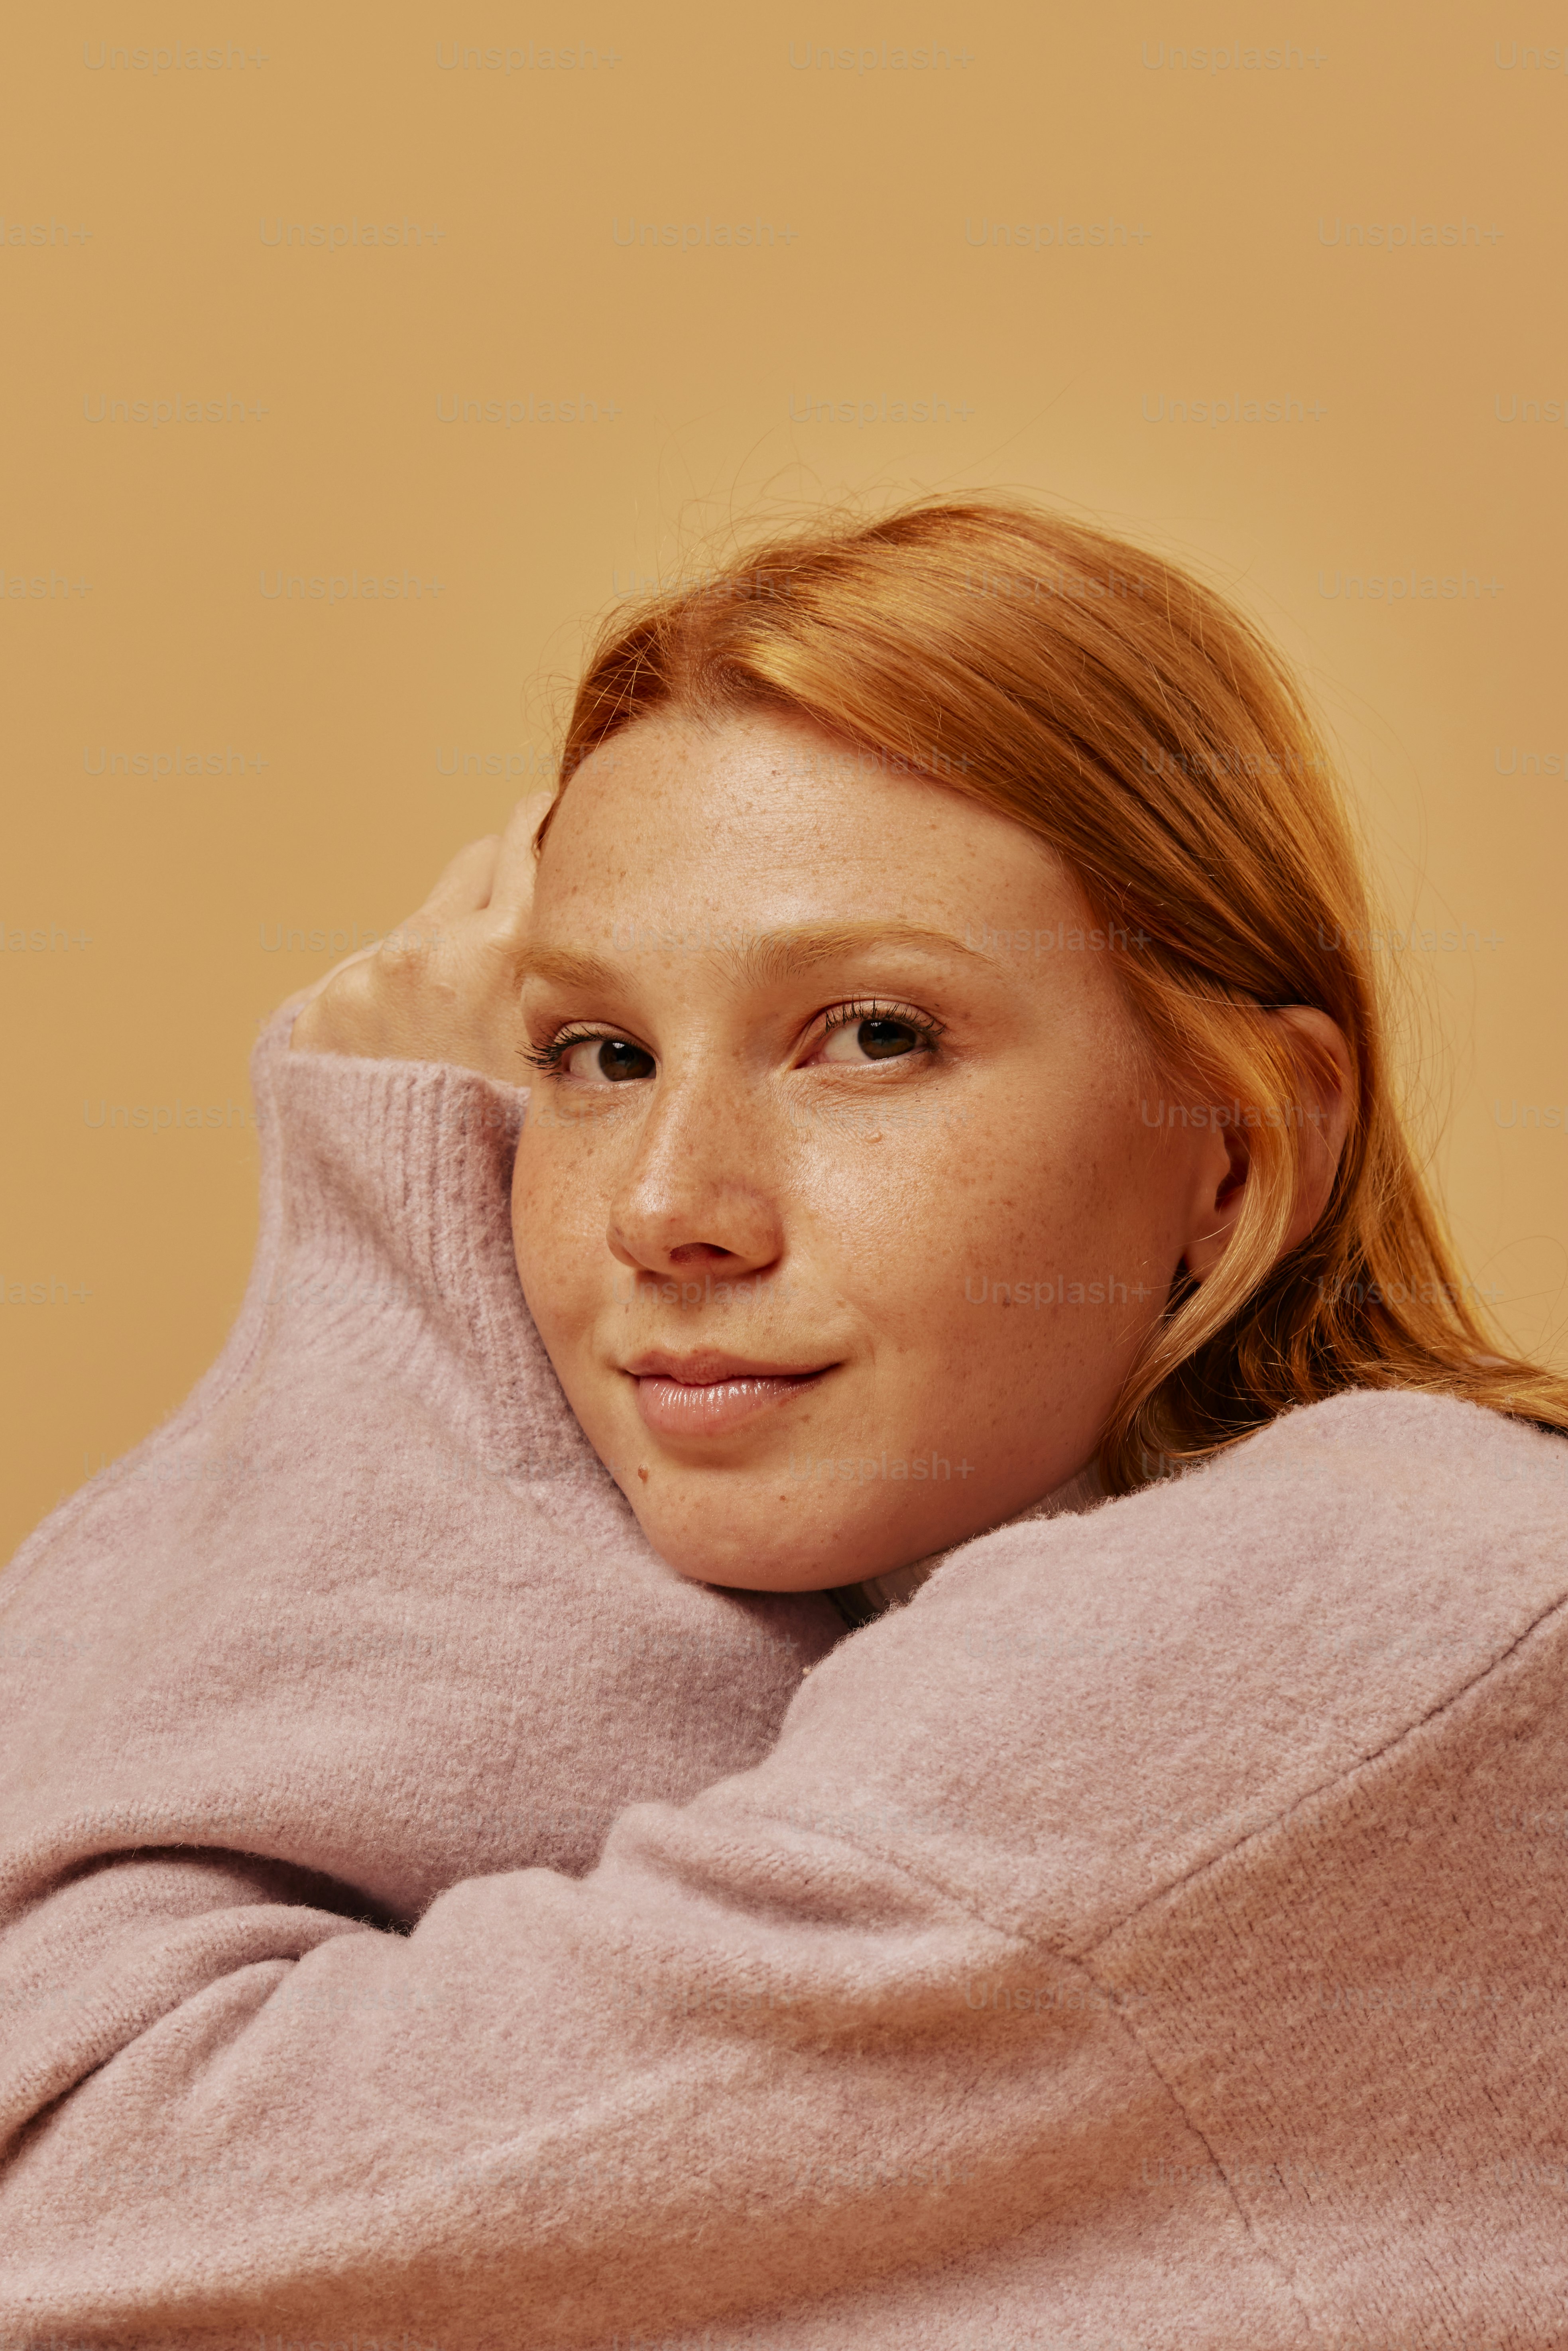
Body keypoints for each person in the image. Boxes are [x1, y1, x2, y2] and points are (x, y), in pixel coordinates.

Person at [4, 496, 1567, 2349]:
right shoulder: (920, 1644)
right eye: (594, 1056)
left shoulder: (1343, 1593)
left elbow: (76, 2197)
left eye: (875, 1034)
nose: (673, 1204)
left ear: (1235, 1144)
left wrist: (379, 1235)